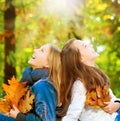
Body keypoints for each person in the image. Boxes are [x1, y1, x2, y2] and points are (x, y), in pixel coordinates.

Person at [58, 38, 120, 121]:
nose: (90, 45)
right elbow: (72, 115)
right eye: (85, 46)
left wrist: (117, 104)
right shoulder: (80, 84)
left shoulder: (99, 78)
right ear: (81, 58)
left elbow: (113, 98)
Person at [0, 43, 61, 121]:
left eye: (42, 50)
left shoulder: (44, 86)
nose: (35, 50)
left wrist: (19, 116)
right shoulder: (30, 82)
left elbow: (46, 119)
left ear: (48, 63)